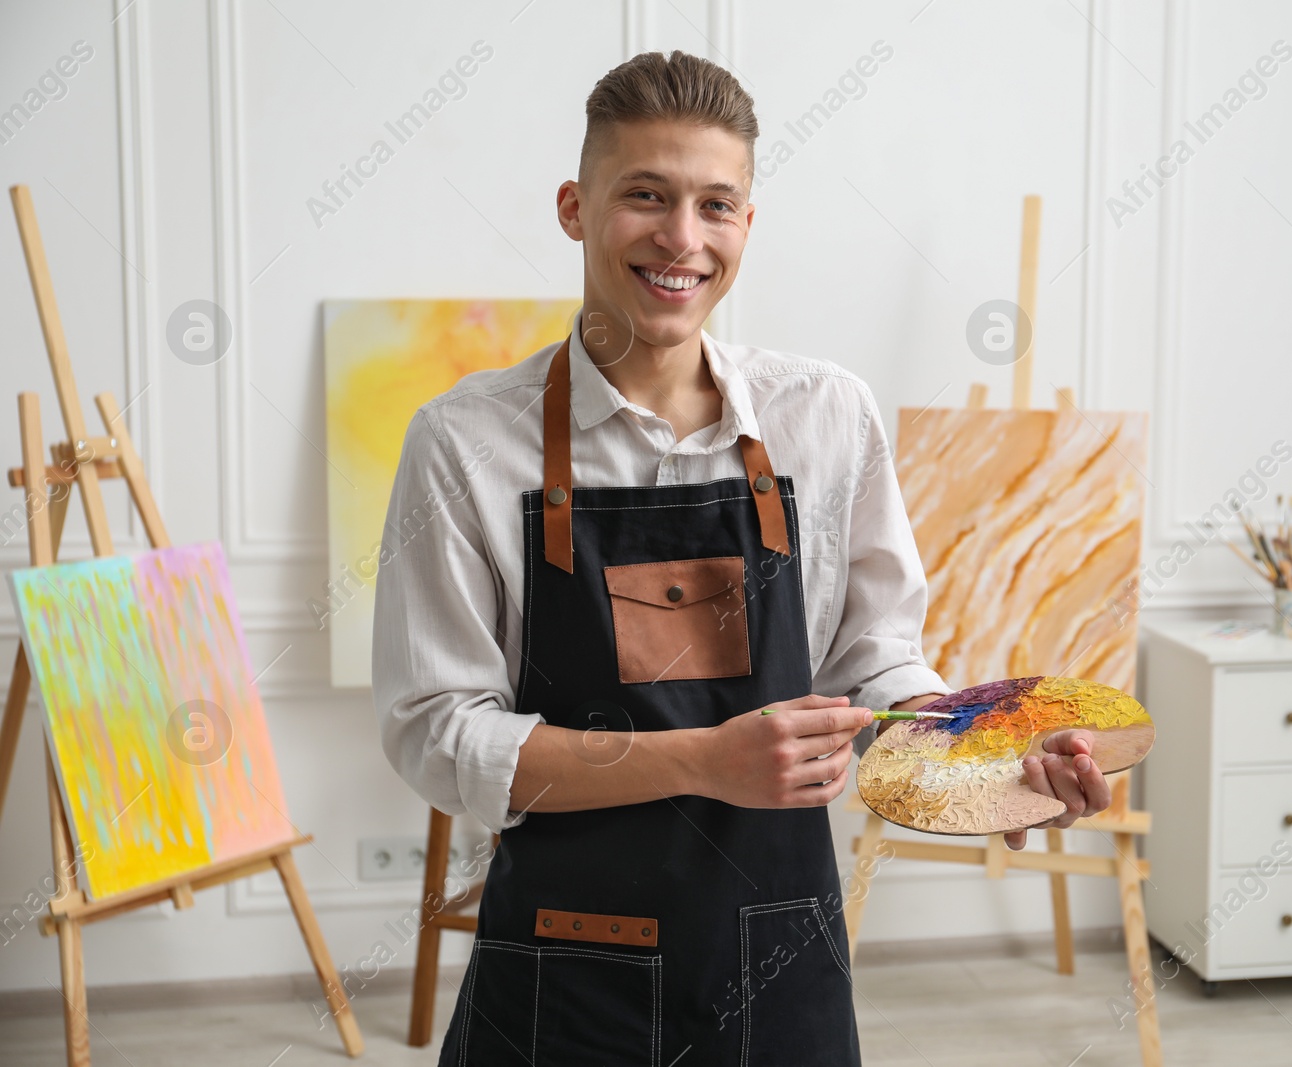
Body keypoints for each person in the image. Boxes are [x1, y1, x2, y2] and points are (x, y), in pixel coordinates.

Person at [372, 49, 1110, 1067]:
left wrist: (991, 763)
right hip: (562, 973)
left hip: (783, 963)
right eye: (646, 195)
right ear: (574, 207)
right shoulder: (463, 443)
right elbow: (436, 735)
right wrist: (703, 760)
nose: (682, 238)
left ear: (747, 225)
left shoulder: (827, 416)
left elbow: (876, 673)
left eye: (716, 205)